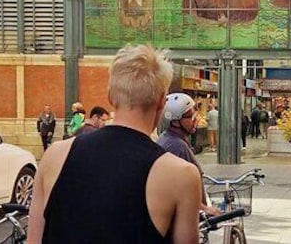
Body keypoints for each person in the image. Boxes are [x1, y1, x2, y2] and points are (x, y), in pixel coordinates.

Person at [28, 45, 202, 244]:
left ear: (110, 95)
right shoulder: (181, 175)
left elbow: (34, 240)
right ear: (162, 101)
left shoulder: (54, 156)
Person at [157, 93, 220, 216]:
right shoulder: (176, 146)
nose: (194, 120)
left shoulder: (170, 140)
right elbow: (175, 191)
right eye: (189, 117)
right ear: (175, 122)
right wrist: (204, 208)